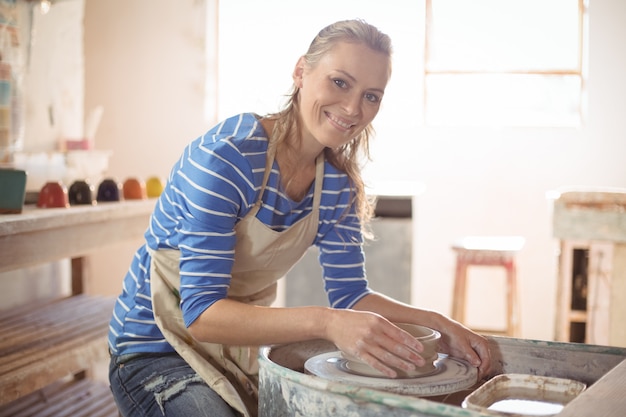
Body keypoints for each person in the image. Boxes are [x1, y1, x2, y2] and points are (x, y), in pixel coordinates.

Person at [108, 19, 491, 417]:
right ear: (300, 71)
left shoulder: (338, 187)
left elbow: (352, 297)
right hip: (153, 352)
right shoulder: (227, 160)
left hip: (238, 356)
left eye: (371, 96)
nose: (353, 109)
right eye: (340, 82)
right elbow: (202, 315)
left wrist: (441, 325)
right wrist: (327, 323)